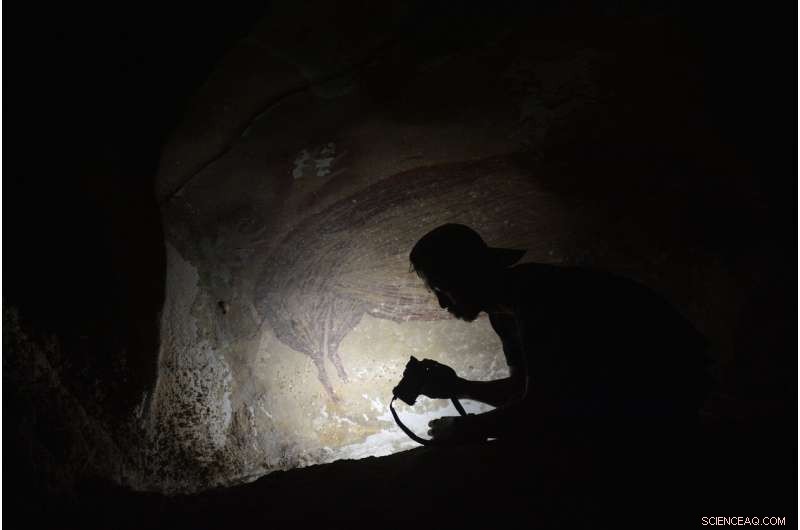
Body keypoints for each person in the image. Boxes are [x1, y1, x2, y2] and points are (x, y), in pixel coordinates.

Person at [408, 223, 711, 447]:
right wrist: (458, 387)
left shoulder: (539, 297)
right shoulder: (504, 313)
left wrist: (465, 428)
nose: (442, 303)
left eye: (441, 288)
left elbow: (545, 407)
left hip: (673, 397)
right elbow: (525, 391)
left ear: (468, 274)